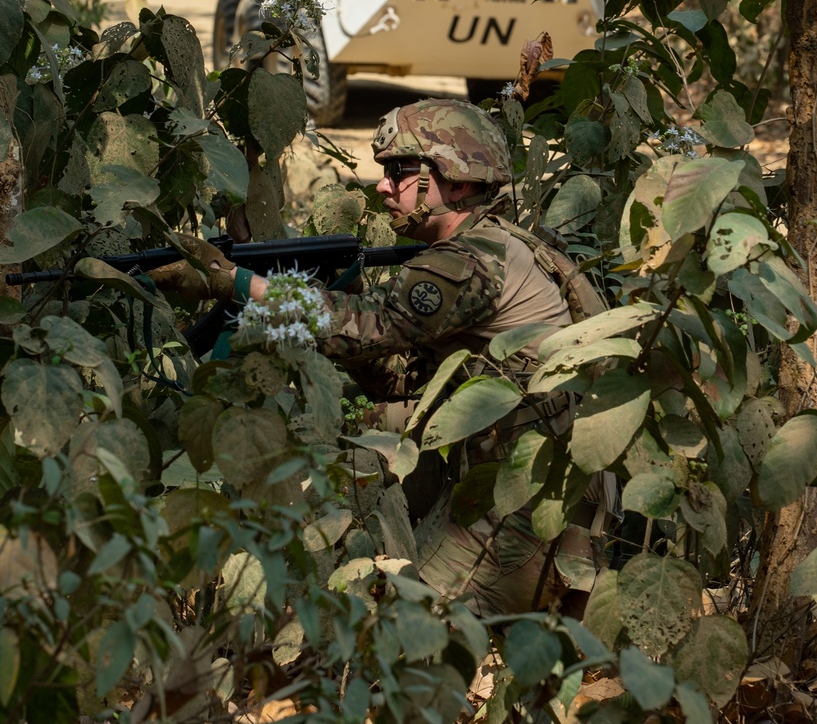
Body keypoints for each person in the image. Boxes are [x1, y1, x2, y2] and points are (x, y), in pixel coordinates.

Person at [154, 98, 613, 615]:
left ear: (457, 182)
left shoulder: (468, 263)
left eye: (401, 171)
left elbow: (367, 327)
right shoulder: (502, 244)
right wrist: (340, 311)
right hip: (535, 482)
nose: (382, 186)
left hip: (526, 497)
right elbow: (405, 377)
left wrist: (231, 282)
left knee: (407, 633)